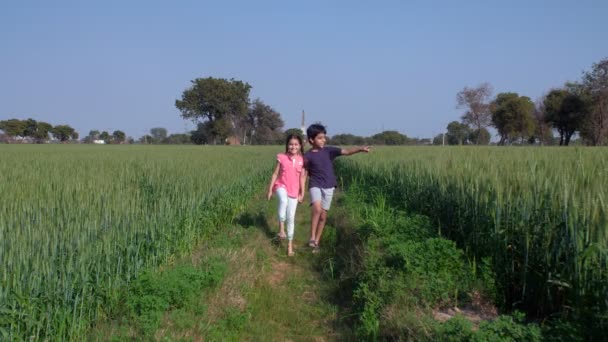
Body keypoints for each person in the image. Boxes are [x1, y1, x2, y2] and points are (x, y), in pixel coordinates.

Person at [301, 124, 370, 253]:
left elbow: (346, 151)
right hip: (315, 184)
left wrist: (360, 149)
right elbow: (304, 173)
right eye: (320, 138)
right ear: (311, 140)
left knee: (323, 216)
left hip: (329, 186)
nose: (324, 140)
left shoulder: (329, 151)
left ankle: (316, 242)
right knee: (317, 208)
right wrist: (301, 190)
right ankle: (311, 237)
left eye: (324, 138)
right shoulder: (307, 156)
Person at [267, 134, 305, 256]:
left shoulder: (302, 160)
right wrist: (270, 190)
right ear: (287, 145)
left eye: (296, 144)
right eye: (291, 144)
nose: (293, 146)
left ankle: (289, 247)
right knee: (283, 201)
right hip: (280, 185)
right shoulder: (281, 157)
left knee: (291, 218)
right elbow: (275, 174)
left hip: (294, 191)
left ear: (300, 146)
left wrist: (302, 193)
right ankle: (281, 229)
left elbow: (302, 178)